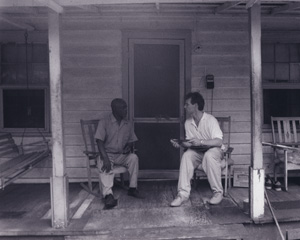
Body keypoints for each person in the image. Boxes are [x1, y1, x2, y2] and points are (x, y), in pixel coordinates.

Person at [170, 92, 224, 207]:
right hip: (199, 152)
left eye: (187, 104)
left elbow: (218, 142)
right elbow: (191, 144)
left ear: (195, 105)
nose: (185, 107)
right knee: (187, 156)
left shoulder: (210, 120)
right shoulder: (188, 123)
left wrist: (201, 142)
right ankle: (182, 195)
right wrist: (180, 144)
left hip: (214, 151)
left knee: (209, 155)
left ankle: (218, 193)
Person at [95, 98, 143, 209]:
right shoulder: (104, 122)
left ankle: (132, 188)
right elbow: (99, 142)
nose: (126, 110)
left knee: (134, 157)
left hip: (121, 155)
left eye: (126, 107)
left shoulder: (128, 124)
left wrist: (128, 147)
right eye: (123, 108)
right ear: (114, 109)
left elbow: (132, 140)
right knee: (103, 164)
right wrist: (106, 158)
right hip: (107, 154)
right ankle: (108, 196)